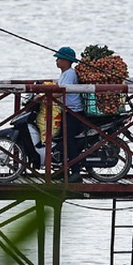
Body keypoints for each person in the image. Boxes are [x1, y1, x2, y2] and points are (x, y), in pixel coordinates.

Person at [54, 46, 84, 183]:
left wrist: (43, 96)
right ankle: (62, 170)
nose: (57, 61)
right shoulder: (65, 74)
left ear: (66, 61)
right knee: (60, 140)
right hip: (67, 110)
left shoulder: (70, 74)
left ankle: (76, 172)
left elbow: (62, 92)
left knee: (68, 140)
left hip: (74, 112)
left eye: (59, 59)